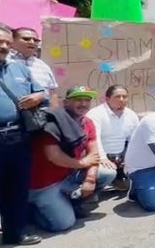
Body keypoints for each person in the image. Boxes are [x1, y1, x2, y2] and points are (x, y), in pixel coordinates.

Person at [28, 86, 116, 232]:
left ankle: (74, 203)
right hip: (46, 183)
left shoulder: (87, 122)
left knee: (108, 172)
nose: (83, 104)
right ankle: (32, 211)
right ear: (66, 102)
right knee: (64, 224)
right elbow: (53, 155)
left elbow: (94, 154)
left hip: (68, 175)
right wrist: (81, 163)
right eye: (78, 100)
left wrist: (90, 179)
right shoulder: (52, 122)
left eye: (87, 100)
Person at [0, 25, 46, 245]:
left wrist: (37, 97)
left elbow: (41, 92)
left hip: (19, 137)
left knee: (16, 189)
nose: (3, 46)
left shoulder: (20, 69)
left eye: (6, 42)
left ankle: (15, 234)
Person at [86, 85, 139, 191]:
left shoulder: (131, 115)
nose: (122, 99)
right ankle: (92, 191)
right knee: (108, 173)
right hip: (100, 157)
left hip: (120, 157)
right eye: (117, 96)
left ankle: (117, 179)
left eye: (124, 96)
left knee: (129, 186)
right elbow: (93, 139)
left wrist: (130, 158)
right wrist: (102, 158)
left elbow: (135, 140)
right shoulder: (96, 114)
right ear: (107, 99)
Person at [9, 27, 59, 107]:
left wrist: (55, 116)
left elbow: (52, 93)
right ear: (12, 41)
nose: (32, 42)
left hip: (41, 115)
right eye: (26, 39)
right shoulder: (3, 61)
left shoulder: (43, 66)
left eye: (36, 40)